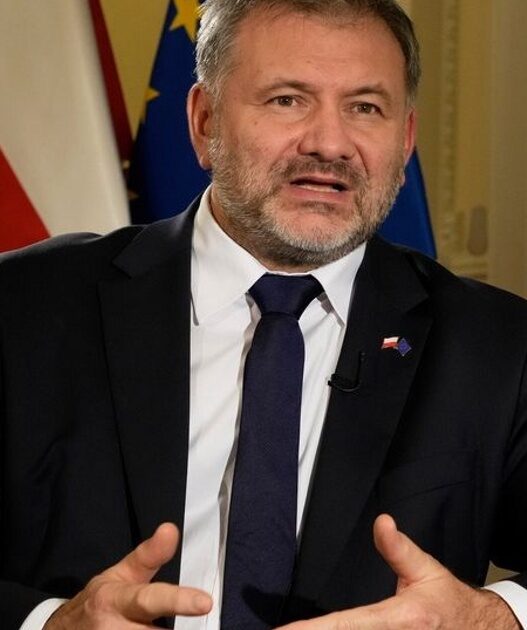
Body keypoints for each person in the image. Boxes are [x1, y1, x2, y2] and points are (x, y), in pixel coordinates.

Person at [1, 0, 527, 628]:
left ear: (406, 138)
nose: (330, 144)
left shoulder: (496, 345)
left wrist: (493, 615)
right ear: (204, 122)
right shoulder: (24, 305)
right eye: (287, 100)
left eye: (365, 107)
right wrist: (48, 622)